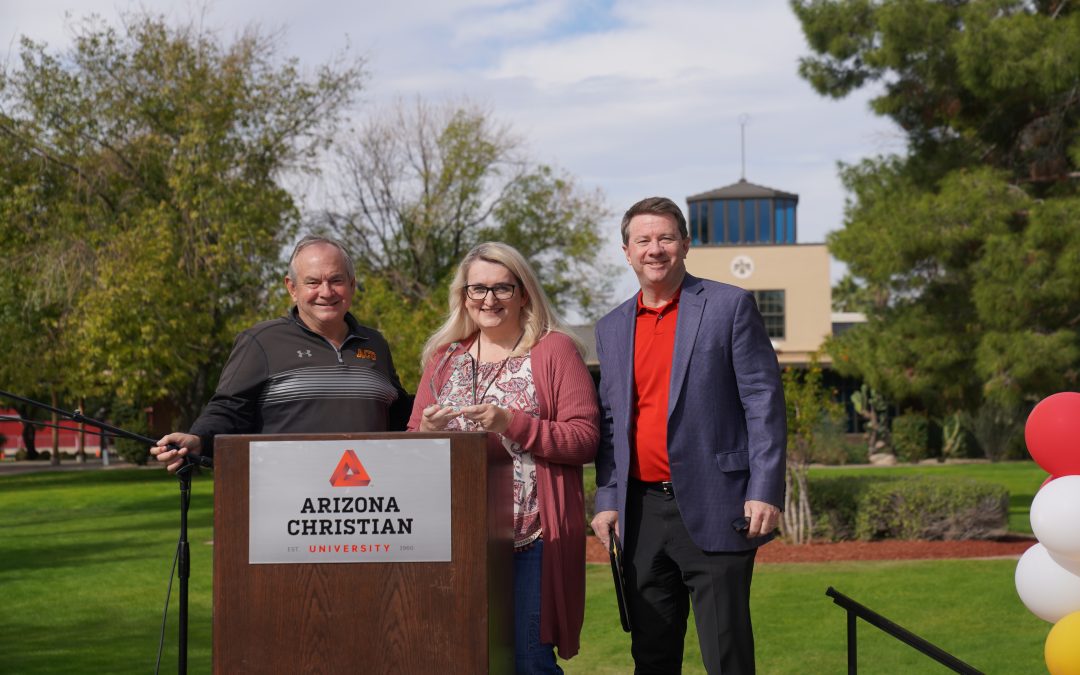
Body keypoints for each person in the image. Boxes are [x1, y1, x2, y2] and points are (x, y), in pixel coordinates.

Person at [590, 197, 786, 674]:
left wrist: (764, 489)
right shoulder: (611, 328)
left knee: (726, 655)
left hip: (718, 505)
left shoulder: (729, 306)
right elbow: (611, 420)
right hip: (641, 514)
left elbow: (762, 402)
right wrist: (608, 498)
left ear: (685, 244)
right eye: (643, 240)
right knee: (652, 657)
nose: (654, 249)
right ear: (626, 252)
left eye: (665, 238)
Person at [408, 242, 599, 673]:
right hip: (455, 539)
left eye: (502, 288)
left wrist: (512, 423)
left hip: (531, 536)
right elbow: (412, 443)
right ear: (463, 296)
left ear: (524, 292)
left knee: (530, 660)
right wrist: (427, 433)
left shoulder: (554, 351)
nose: (489, 299)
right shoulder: (444, 359)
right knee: (462, 659)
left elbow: (585, 439)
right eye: (478, 289)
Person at [152, 235, 411, 470]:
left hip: (369, 494)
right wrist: (198, 439)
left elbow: (398, 413)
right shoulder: (261, 341)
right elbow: (230, 410)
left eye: (336, 280)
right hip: (288, 496)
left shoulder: (375, 343)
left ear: (352, 285)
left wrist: (434, 408)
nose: (326, 291)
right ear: (292, 288)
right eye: (313, 282)